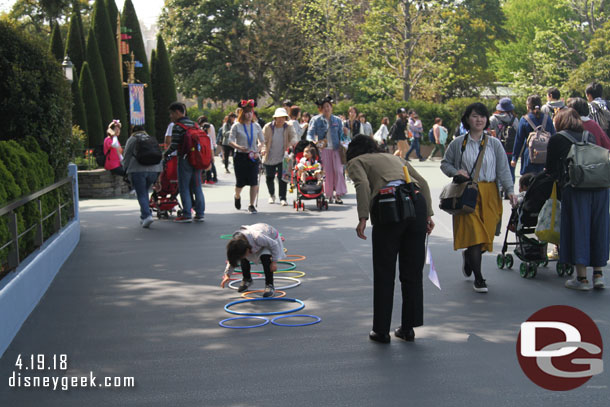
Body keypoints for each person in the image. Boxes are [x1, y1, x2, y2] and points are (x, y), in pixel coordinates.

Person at [346, 135, 435, 343]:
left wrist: (363, 217)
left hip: (389, 207)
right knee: (412, 271)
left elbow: (363, 185)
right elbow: (422, 182)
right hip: (416, 203)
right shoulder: (395, 158)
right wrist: (428, 214)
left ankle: (381, 331)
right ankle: (408, 328)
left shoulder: (356, 162)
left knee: (385, 272)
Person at [441, 103, 515, 293]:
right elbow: (445, 163)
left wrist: (510, 191)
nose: (479, 119)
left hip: (490, 193)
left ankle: (469, 256)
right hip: (467, 194)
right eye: (474, 116)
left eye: (482, 116)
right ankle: (479, 278)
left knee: (486, 236)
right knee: (475, 235)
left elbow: (503, 170)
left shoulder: (494, 144)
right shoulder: (458, 143)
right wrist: (455, 171)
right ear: (467, 119)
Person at [545, 108, 608, 290]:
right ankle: (598, 275)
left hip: (576, 189)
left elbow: (550, 169)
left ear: (560, 121)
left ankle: (581, 279)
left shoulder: (557, 139)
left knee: (579, 229)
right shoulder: (589, 135)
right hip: (599, 188)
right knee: (597, 229)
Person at [164, 102, 206, 223]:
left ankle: (187, 214)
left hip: (184, 159)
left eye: (171, 114)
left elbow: (174, 145)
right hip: (197, 159)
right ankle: (200, 213)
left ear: (177, 112)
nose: (170, 117)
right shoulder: (195, 125)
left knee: (184, 186)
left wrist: (165, 154)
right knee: (197, 186)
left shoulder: (178, 126)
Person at [220, 223, 287, 297]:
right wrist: (227, 275)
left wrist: (274, 262)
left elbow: (274, 244)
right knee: (243, 258)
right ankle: (247, 279)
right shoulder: (237, 242)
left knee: (265, 257)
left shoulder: (258, 237)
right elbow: (233, 257)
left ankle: (269, 285)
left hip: (270, 237)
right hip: (253, 241)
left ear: (248, 248)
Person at [307, 95, 348, 204]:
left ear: (331, 107)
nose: (326, 108)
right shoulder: (315, 120)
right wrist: (313, 142)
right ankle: (329, 194)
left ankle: (338, 194)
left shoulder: (338, 120)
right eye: (324, 107)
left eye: (328, 106)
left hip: (336, 149)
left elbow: (342, 137)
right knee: (327, 173)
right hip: (323, 150)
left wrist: (346, 138)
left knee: (339, 171)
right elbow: (309, 134)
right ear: (321, 108)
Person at [228, 99, 265, 214]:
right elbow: (230, 140)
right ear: (242, 113)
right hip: (240, 157)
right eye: (246, 112)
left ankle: (251, 204)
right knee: (240, 182)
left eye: (251, 112)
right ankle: (237, 195)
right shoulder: (236, 126)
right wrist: (238, 147)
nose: (249, 114)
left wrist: (258, 150)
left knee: (254, 182)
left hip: (253, 157)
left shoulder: (256, 126)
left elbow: (262, 141)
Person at [122, 125, 162, 228]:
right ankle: (143, 215)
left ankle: (147, 216)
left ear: (132, 131)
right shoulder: (151, 139)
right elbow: (159, 155)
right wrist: (158, 173)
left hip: (138, 170)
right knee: (145, 192)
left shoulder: (132, 139)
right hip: (153, 170)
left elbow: (126, 156)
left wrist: (124, 169)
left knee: (141, 193)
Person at [511, 95, 555, 176]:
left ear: (528, 106)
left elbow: (519, 140)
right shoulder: (547, 118)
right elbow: (553, 137)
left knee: (529, 183)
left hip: (530, 156)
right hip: (545, 157)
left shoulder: (524, 119)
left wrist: (514, 158)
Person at [262, 107, 298, 206]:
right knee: (269, 177)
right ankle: (272, 195)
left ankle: (283, 198)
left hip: (283, 156)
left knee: (283, 178)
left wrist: (291, 143)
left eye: (283, 117)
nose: (281, 119)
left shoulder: (289, 126)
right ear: (275, 118)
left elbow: (294, 137)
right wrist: (263, 149)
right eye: (279, 117)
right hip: (270, 156)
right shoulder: (268, 127)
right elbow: (262, 140)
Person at [489, 97, 519, 184]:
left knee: (498, 170)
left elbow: (487, 131)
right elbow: (518, 134)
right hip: (511, 149)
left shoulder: (493, 119)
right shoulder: (515, 120)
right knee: (511, 171)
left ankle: (499, 189)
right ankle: (509, 191)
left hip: (497, 149)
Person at [198, 115, 218, 185]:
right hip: (209, 150)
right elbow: (211, 147)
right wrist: (212, 156)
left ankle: (204, 179)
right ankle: (212, 178)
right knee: (210, 164)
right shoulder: (208, 135)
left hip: (203, 152)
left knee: (204, 165)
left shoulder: (200, 135)